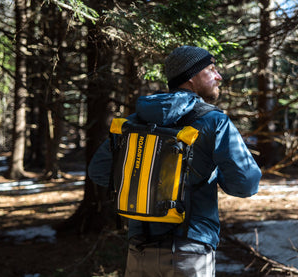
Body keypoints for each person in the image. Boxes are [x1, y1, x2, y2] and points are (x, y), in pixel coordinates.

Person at [88, 45, 261, 277]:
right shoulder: (214, 121)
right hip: (191, 250)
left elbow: (98, 171)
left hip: (139, 249)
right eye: (211, 69)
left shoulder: (133, 122)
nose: (219, 76)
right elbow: (246, 184)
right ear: (191, 77)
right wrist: (209, 172)